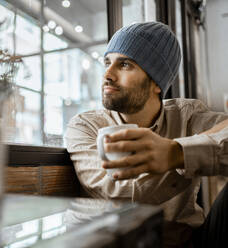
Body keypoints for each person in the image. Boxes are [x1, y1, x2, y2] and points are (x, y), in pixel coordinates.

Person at [64, 21, 228, 248]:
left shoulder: (187, 114)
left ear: (157, 82)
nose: (107, 75)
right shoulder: (86, 125)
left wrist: (175, 151)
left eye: (124, 64)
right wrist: (183, 157)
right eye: (107, 63)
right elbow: (116, 193)